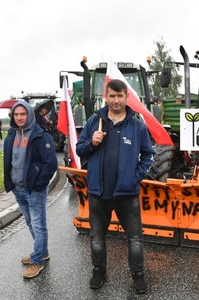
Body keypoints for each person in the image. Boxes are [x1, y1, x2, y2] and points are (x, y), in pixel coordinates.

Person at [76, 79, 154, 293]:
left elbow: (149, 155)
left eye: (120, 96)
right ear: (106, 97)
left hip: (126, 194)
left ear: (126, 97)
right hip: (98, 193)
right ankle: (99, 271)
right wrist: (92, 142)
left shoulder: (137, 126)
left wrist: (134, 177)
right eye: (112, 96)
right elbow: (80, 150)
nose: (116, 100)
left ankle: (138, 275)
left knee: (135, 238)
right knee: (97, 237)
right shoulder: (94, 122)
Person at [3, 100, 58, 279]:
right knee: (30, 222)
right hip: (17, 188)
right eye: (16, 114)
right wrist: (9, 182)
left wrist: (38, 184)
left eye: (23, 114)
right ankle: (42, 252)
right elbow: (9, 160)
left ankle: (37, 261)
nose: (19, 117)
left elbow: (50, 164)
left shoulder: (40, 135)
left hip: (33, 189)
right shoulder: (11, 135)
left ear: (29, 114)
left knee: (38, 224)